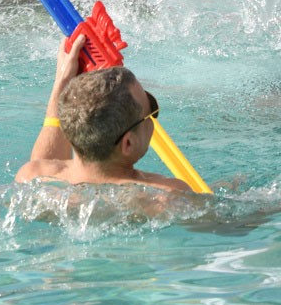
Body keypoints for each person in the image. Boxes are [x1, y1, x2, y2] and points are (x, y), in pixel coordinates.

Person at [16, 33, 195, 194]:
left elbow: (44, 167)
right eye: (151, 111)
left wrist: (62, 80)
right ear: (128, 143)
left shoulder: (31, 177)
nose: (153, 118)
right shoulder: (166, 196)